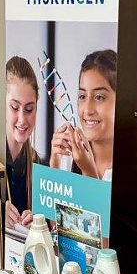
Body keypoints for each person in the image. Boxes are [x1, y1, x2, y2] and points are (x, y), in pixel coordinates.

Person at [49, 49, 117, 180]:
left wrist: (88, 171)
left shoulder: (133, 169)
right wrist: (54, 169)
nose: (87, 110)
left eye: (99, 97)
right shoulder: (67, 159)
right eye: (82, 96)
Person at [5, 56, 41, 229]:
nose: (22, 119)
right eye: (14, 107)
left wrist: (37, 222)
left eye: (29, 109)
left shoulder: (37, 162)